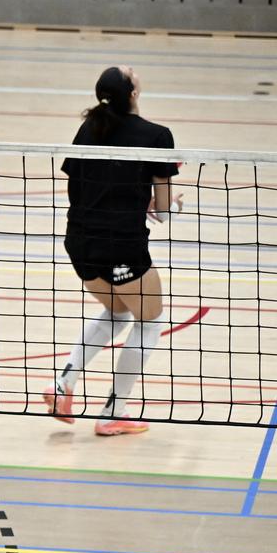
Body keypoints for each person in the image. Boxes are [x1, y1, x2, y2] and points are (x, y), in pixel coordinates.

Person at [46, 66, 182, 437]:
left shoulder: (90, 127)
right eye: (129, 73)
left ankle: (63, 387)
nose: (133, 70)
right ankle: (112, 413)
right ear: (133, 93)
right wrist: (168, 203)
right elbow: (164, 211)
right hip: (121, 244)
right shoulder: (157, 135)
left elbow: (84, 185)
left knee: (118, 312)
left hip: (80, 243)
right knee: (150, 321)